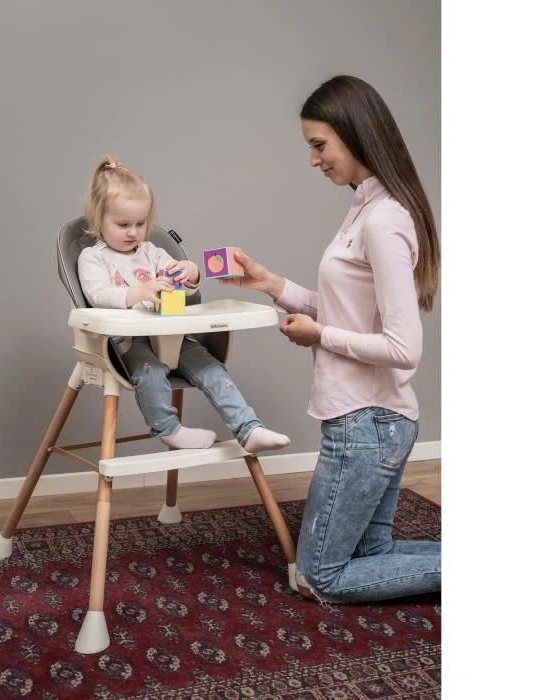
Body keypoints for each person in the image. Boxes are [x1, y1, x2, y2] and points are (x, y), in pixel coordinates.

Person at [221, 75, 441, 603]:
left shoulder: (383, 220)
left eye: (319, 145)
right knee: (371, 554)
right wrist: (271, 285)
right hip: (374, 419)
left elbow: (403, 348)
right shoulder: (365, 206)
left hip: (366, 422)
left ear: (354, 132)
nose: (313, 160)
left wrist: (320, 335)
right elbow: (349, 313)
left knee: (319, 577)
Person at [77, 155, 290, 454]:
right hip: (127, 342)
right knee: (151, 372)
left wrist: (191, 272)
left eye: (141, 223)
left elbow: (182, 280)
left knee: (211, 368)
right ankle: (169, 429)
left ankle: (248, 427)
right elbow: (98, 295)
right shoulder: (93, 257)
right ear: (98, 218)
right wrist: (138, 292)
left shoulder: (151, 252)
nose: (133, 232)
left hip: (172, 336)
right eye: (123, 224)